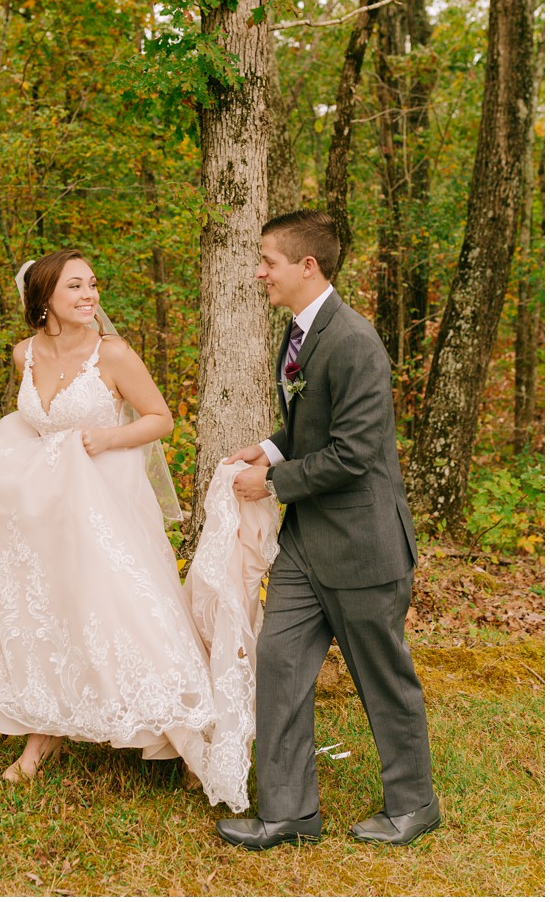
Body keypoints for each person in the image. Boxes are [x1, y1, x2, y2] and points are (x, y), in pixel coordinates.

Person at [0, 249, 241, 798]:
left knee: (122, 610)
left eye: (92, 285)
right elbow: (31, 425)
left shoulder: (112, 355)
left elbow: (160, 419)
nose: (89, 296)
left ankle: (184, 734)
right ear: (45, 300)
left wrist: (110, 437)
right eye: (75, 287)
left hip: (100, 503)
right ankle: (44, 733)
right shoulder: (24, 355)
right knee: (45, 611)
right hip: (38, 512)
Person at [218, 210, 438, 849]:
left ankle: (414, 803)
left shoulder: (355, 341)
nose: (260, 272)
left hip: (363, 545)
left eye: (269, 261)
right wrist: (269, 449)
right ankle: (289, 812)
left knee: (382, 677)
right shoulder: (298, 333)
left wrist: (273, 485)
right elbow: (312, 429)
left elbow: (356, 452)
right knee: (279, 660)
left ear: (306, 266)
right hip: (306, 542)